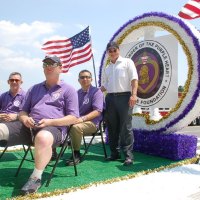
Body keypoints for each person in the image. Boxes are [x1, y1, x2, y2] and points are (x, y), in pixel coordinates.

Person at [0, 55, 79, 195]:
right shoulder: (34, 88)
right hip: (28, 126)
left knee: (42, 138)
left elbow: (73, 118)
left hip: (54, 128)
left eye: (52, 64)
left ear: (60, 68)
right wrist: (24, 119)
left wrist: (50, 122)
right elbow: (23, 112)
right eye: (45, 64)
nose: (48, 66)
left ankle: (36, 177)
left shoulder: (69, 89)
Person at [101, 41, 138, 166]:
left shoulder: (127, 62)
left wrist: (134, 95)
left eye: (114, 50)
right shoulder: (107, 68)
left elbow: (134, 79)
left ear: (118, 50)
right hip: (110, 98)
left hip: (125, 97)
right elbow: (105, 85)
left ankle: (128, 156)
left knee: (125, 127)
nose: (112, 52)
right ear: (107, 53)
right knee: (111, 127)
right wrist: (95, 90)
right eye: (110, 51)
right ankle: (114, 153)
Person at [65, 70, 104, 166]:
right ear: (78, 80)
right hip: (77, 121)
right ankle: (53, 152)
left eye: (87, 77)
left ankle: (76, 153)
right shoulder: (76, 93)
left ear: (91, 79)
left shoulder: (97, 92)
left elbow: (97, 111)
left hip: (92, 123)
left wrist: (82, 119)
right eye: (82, 77)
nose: (85, 79)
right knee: (56, 123)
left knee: (75, 127)